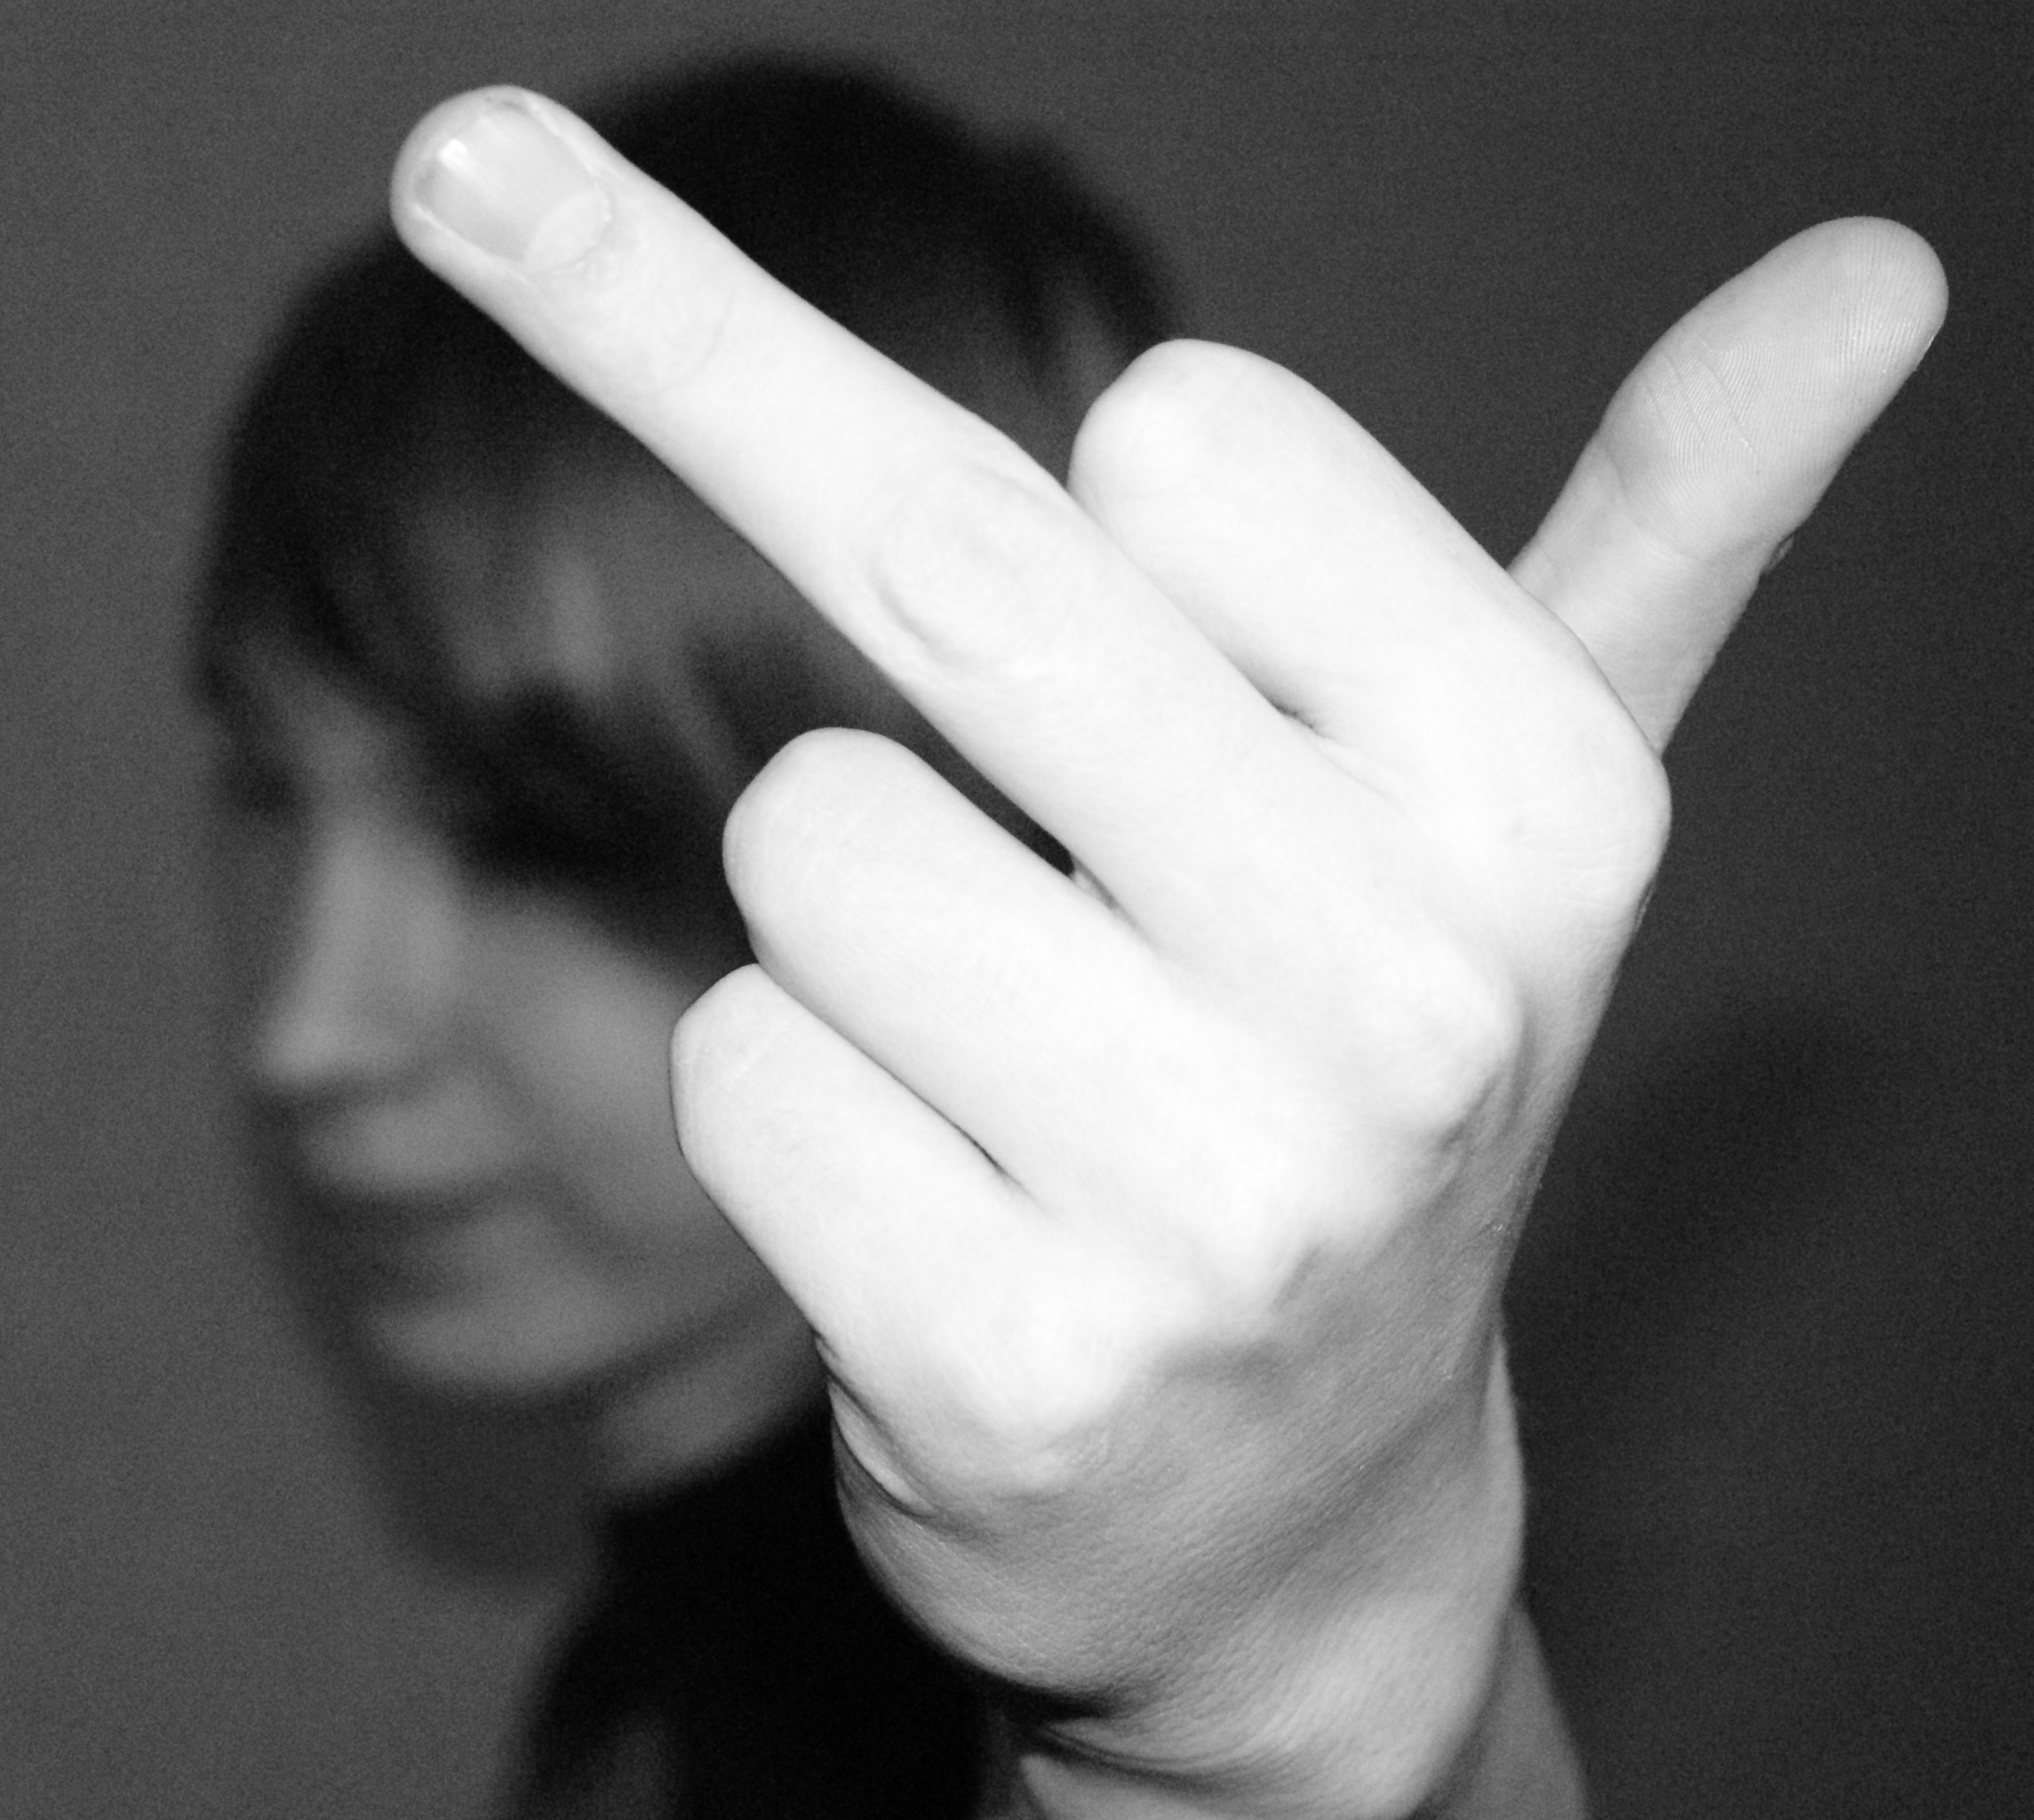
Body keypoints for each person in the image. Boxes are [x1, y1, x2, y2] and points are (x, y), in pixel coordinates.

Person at [200, 52, 1944, 1820]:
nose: (307, 1031)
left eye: (525, 828)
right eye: (266, 790)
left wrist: (1306, 1724)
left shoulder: (900, 1715)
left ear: (990, 798)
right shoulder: (668, 1665)